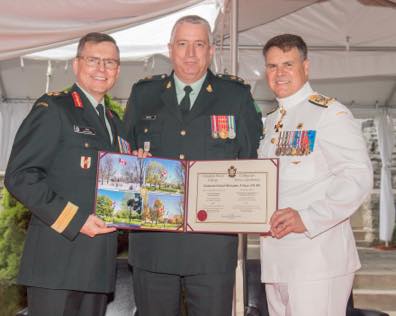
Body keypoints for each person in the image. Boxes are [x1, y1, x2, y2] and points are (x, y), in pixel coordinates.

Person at [123, 15, 262, 316]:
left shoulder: (235, 96)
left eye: (198, 44)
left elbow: (251, 163)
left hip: (211, 249)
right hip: (153, 246)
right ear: (170, 48)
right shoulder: (143, 94)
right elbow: (122, 158)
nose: (190, 53)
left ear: (211, 50)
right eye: (182, 44)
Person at [5, 32, 131, 316]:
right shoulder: (54, 108)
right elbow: (20, 176)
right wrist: (76, 220)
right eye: (93, 60)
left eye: (110, 62)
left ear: (118, 71)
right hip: (56, 264)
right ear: (76, 65)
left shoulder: (116, 124)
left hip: (98, 266)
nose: (102, 68)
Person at [258, 33, 373, 316]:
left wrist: (307, 218)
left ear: (306, 67)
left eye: (288, 64)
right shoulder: (271, 121)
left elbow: (357, 177)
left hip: (317, 259)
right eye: (272, 66)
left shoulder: (330, 113)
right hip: (276, 260)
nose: (279, 73)